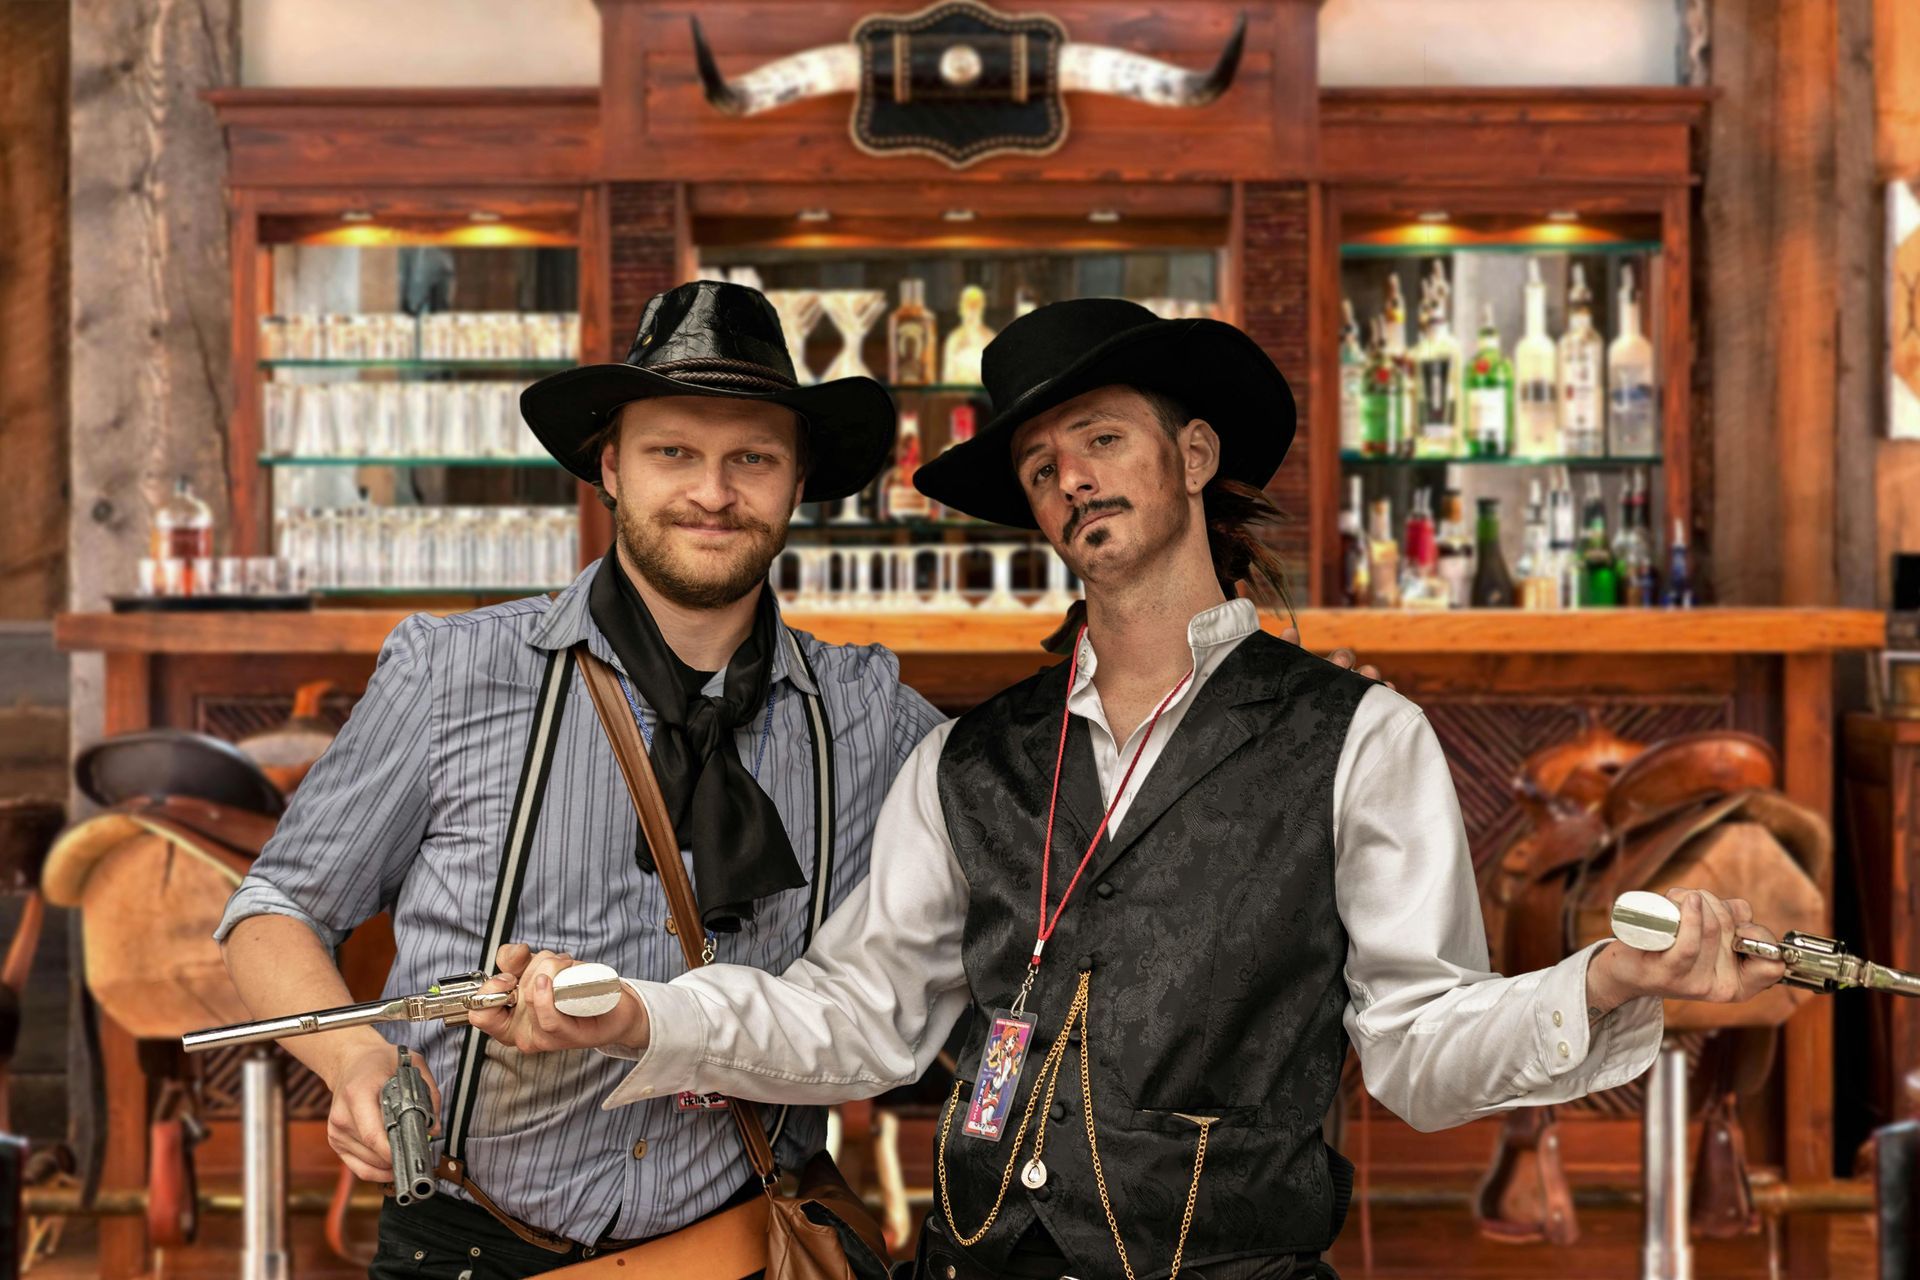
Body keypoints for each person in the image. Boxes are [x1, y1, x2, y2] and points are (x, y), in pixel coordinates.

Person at [483, 299, 1788, 1280]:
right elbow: (861, 1022)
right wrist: (640, 1017)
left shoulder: (1356, 737)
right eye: (1042, 467)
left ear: (1197, 453)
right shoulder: (968, 760)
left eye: (1101, 440)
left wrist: (1601, 988)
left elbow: (1420, 1053)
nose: (1072, 481)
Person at [216, 283, 1380, 1279]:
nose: (711, 491)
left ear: (797, 482)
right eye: (674, 452)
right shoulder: (453, 668)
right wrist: (361, 1062)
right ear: (611, 465)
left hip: (748, 1241)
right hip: (472, 1241)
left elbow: (1085, 835)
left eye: (751, 459)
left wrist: (1260, 723)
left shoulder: (872, 717)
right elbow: (272, 910)